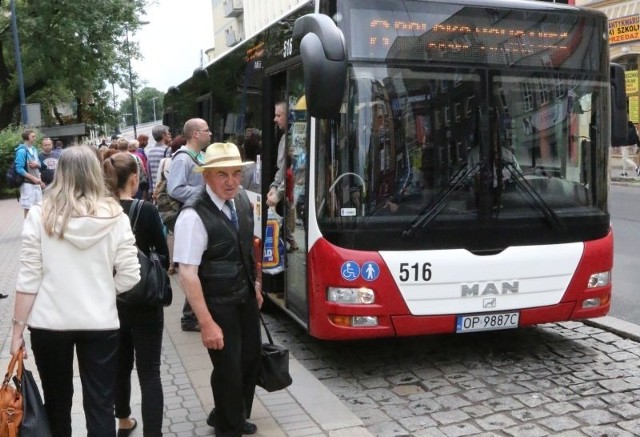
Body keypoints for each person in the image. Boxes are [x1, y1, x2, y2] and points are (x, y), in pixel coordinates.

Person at [9, 145, 141, 437]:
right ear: (95, 173)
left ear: (61, 174)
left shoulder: (40, 216)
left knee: (56, 403)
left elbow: (28, 277)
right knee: (100, 405)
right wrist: (104, 293)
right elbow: (131, 275)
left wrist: (17, 332)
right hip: (100, 322)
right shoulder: (115, 216)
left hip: (49, 324)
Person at [174, 142, 263, 437]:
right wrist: (206, 322)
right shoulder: (193, 215)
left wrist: (258, 285)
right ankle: (229, 425)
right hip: (218, 303)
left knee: (249, 358)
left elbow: (249, 249)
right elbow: (188, 273)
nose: (231, 181)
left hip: (245, 295)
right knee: (227, 367)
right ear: (207, 176)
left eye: (236, 174)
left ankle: (232, 413)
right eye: (222, 175)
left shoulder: (241, 202)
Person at [103, 153, 168, 437]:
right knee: (150, 371)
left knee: (120, 365)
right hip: (145, 301)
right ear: (133, 178)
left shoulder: (100, 212)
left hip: (112, 301)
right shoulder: (147, 210)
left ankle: (123, 421)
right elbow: (164, 256)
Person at [168, 118, 211, 331]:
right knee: (194, 266)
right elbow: (174, 189)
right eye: (206, 130)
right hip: (192, 215)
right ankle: (189, 316)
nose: (210, 133)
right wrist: (203, 193)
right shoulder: (182, 159)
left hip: (201, 214)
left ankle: (194, 313)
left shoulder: (200, 156)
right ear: (195, 134)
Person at [266, 101, 298, 250]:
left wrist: (278, 194)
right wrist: (274, 186)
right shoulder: (286, 137)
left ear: (289, 115)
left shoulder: (294, 138)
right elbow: (283, 168)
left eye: (278, 115)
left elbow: (294, 169)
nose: (275, 119)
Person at [14, 129, 46, 217]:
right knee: (28, 209)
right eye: (33, 136)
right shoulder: (21, 151)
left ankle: (37, 228)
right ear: (27, 138)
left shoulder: (34, 149)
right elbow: (19, 169)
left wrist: (37, 165)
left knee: (39, 207)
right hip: (27, 184)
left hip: (36, 183)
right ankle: (28, 229)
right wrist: (33, 179)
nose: (35, 138)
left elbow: (39, 164)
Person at [146, 125, 172, 196]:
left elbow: (149, 172)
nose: (170, 135)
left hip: (155, 189)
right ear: (163, 135)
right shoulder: (167, 150)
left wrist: (151, 189)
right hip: (165, 189)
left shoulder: (150, 152)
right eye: (168, 133)